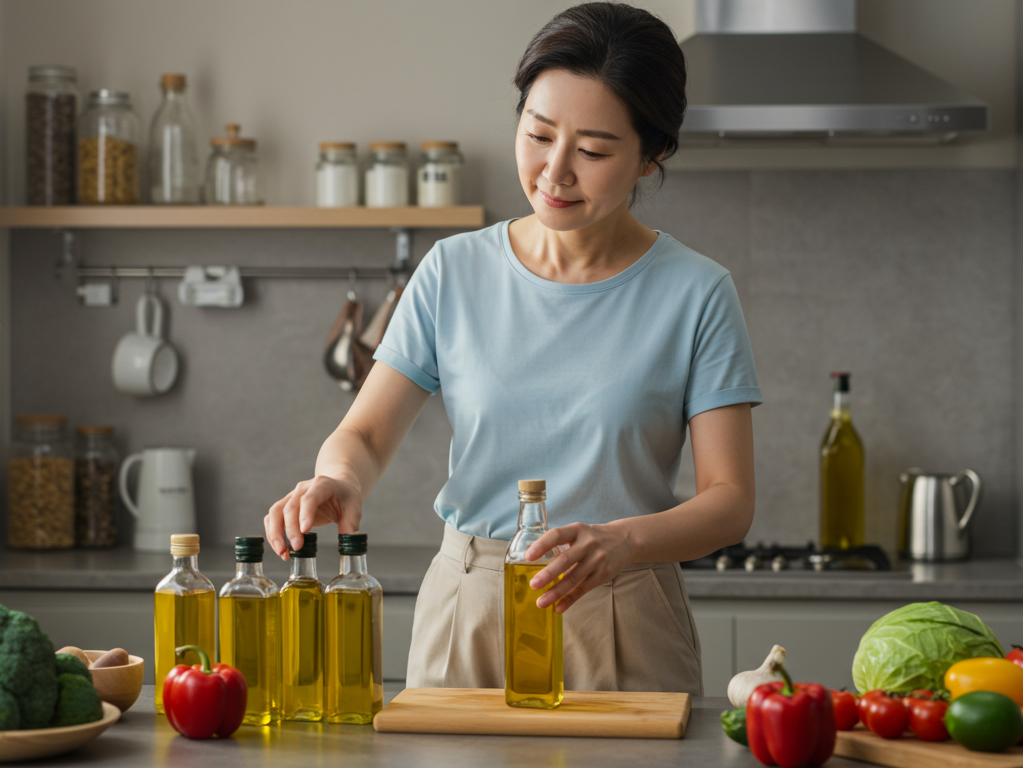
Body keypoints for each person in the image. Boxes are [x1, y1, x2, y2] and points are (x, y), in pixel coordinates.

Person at [265, 2, 760, 695]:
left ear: (652, 156)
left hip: (623, 604)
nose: (555, 172)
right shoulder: (452, 270)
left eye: (592, 151)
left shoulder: (697, 292)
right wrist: (340, 478)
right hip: (469, 603)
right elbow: (367, 434)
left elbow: (730, 500)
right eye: (538, 134)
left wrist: (625, 541)